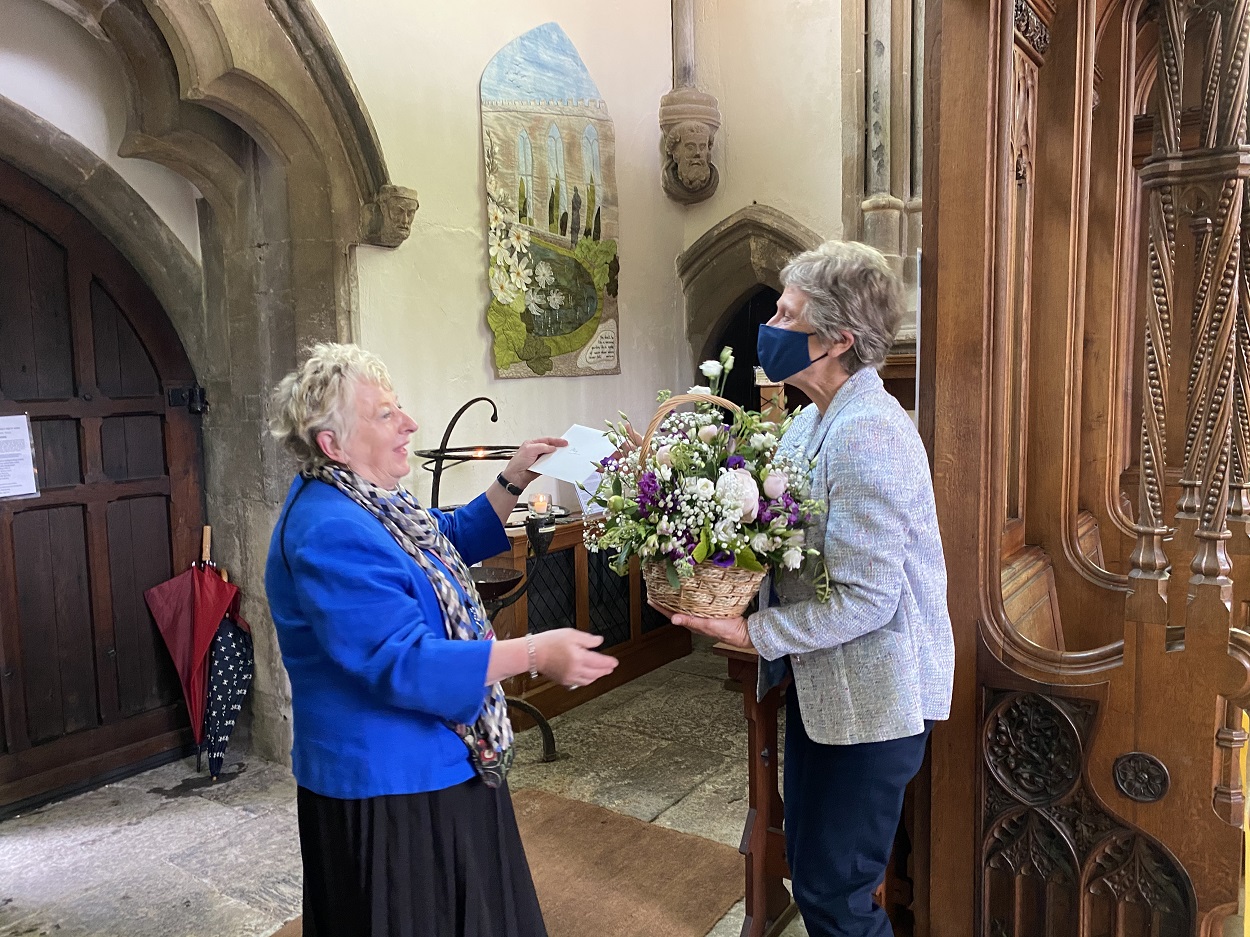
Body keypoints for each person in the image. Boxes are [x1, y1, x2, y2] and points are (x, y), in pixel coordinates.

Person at [265, 342, 618, 937]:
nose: (409, 423)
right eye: (385, 415)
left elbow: (441, 535)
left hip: (433, 759)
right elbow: (402, 662)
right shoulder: (328, 528)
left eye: (399, 407)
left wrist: (513, 478)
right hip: (388, 784)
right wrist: (534, 652)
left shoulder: (369, 499)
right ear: (334, 444)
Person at [656, 241, 954, 937]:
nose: (771, 325)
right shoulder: (813, 420)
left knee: (839, 897)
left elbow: (870, 599)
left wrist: (754, 631)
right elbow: (772, 530)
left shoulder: (868, 433)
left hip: (877, 703)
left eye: (787, 314)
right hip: (831, 696)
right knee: (819, 883)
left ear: (838, 338)